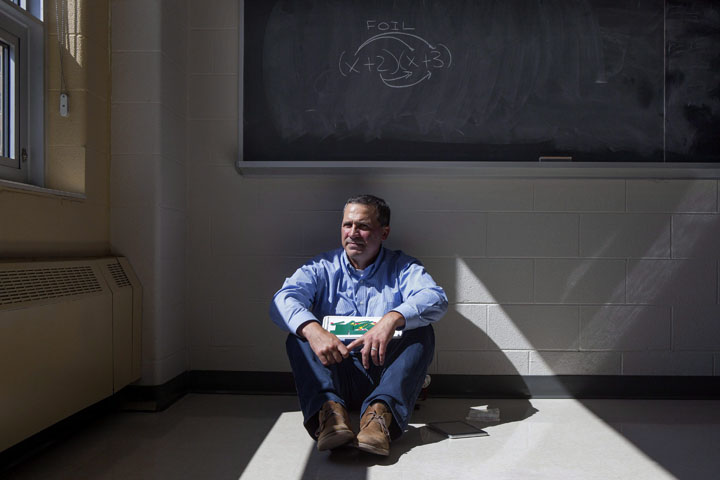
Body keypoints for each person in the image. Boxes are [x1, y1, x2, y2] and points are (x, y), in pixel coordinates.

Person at [269, 194, 448, 456]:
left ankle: (379, 417)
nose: (353, 233)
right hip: (334, 371)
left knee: (421, 330)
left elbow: (436, 298)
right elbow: (282, 300)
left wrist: (392, 318)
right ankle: (330, 417)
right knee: (298, 333)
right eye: (347, 225)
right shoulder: (321, 267)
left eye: (363, 226)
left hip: (383, 372)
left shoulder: (403, 267)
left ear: (384, 232)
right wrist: (313, 329)